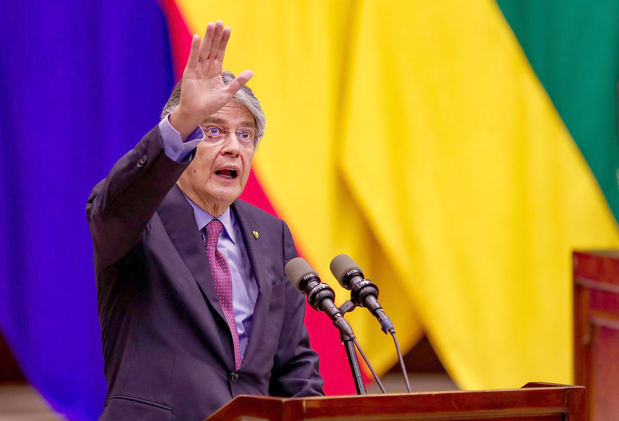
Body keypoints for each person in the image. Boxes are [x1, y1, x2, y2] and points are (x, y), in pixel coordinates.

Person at [86, 21, 324, 420]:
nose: (234, 147)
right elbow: (113, 208)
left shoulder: (271, 234)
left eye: (245, 136)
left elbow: (293, 366)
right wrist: (182, 121)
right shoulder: (140, 218)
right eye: (214, 131)